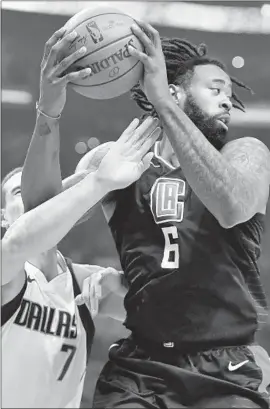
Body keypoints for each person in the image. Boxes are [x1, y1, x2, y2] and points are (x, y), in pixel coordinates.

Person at [76, 22, 270, 408]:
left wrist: (163, 102)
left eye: (229, 94)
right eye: (216, 90)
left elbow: (232, 207)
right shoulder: (119, 160)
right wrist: (49, 111)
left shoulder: (245, 155)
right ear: (178, 91)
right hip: (142, 365)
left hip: (226, 365)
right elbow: (39, 214)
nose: (228, 101)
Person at [1, 26, 160, 408]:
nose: (38, 196)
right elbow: (23, 240)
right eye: (18, 192)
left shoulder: (86, 286)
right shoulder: (6, 266)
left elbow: (165, 308)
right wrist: (98, 182)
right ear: (3, 216)